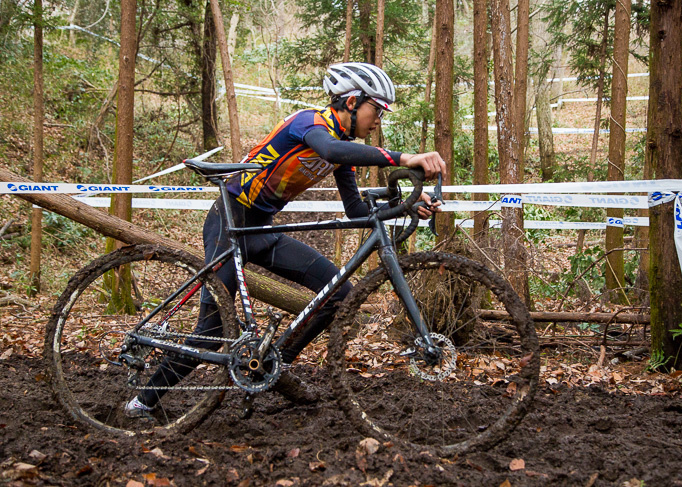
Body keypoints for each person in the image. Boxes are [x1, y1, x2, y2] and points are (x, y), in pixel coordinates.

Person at [126, 62, 446, 417]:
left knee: (338, 293)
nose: (379, 120)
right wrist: (403, 158)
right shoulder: (310, 123)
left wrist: (406, 205)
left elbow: (356, 210)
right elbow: (331, 152)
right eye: (377, 109)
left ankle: (274, 367)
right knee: (211, 330)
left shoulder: (345, 147)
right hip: (229, 220)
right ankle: (144, 400)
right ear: (353, 101)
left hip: (261, 228)